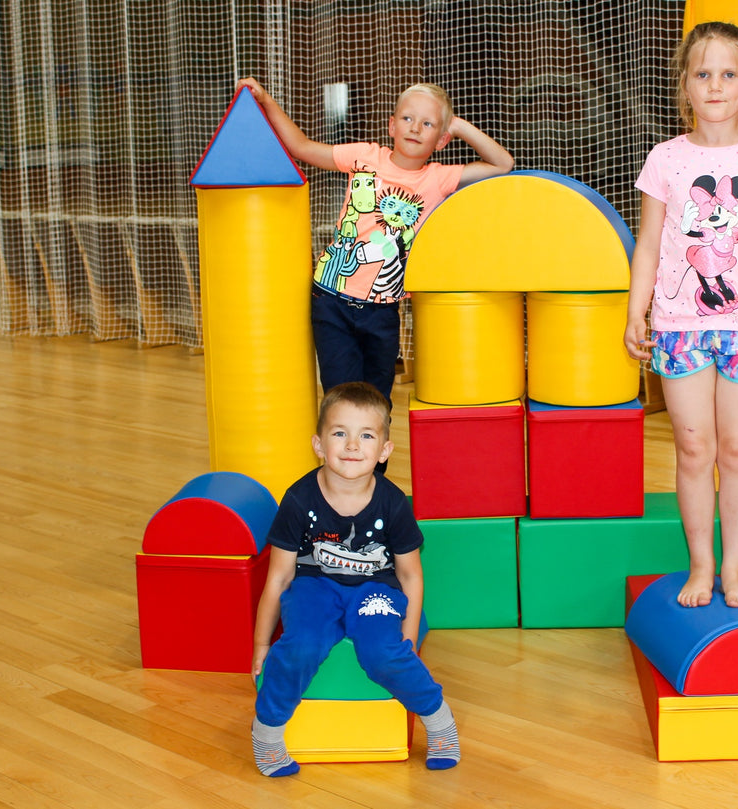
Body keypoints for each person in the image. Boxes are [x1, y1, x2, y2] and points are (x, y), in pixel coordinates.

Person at [623, 21, 738, 611]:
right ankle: (701, 566)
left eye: (728, 74)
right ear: (685, 84)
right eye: (703, 74)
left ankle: (734, 572)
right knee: (694, 447)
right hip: (680, 326)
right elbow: (649, 244)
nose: (715, 86)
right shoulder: (665, 159)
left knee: (735, 448)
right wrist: (638, 311)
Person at [237, 77, 514, 408]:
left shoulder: (438, 178)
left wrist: (457, 124)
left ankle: (373, 461)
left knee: (377, 402)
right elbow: (302, 148)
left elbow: (503, 164)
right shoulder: (364, 156)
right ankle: (340, 460)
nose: (415, 128)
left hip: (382, 312)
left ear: (441, 140)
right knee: (339, 400)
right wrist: (266, 100)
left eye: (427, 124)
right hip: (331, 300)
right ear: (391, 125)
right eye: (408, 118)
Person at [249, 381, 460, 775]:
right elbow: (278, 578)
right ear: (318, 444)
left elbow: (411, 575)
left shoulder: (394, 504)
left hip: (376, 589)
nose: (351, 446)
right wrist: (262, 644)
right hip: (315, 586)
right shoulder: (298, 500)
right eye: (339, 433)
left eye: (365, 435)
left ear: (384, 450)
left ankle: (439, 720)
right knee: (301, 644)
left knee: (381, 651)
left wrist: (410, 637)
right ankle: (267, 734)